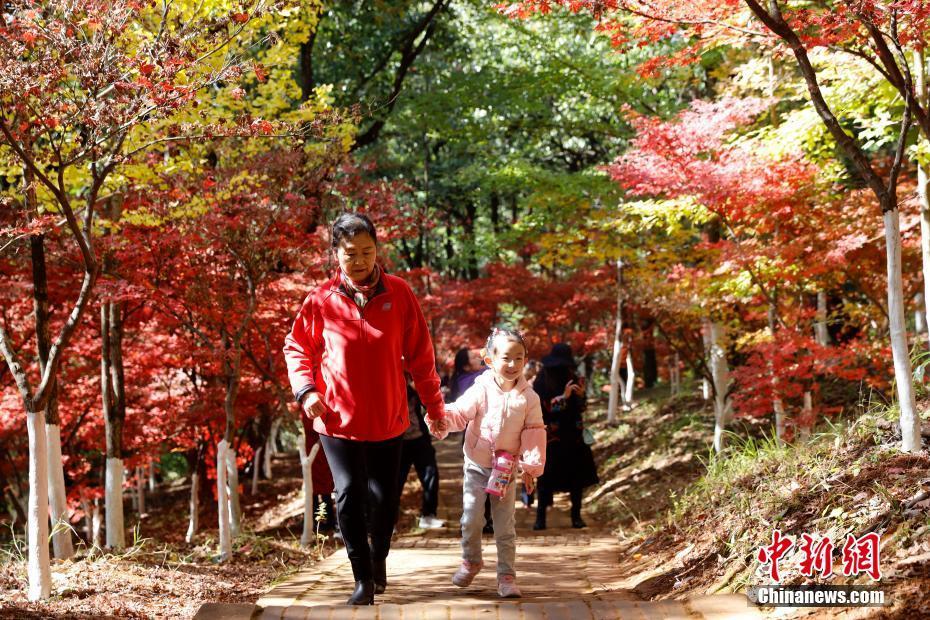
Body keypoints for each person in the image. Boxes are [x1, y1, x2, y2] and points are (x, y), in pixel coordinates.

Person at [284, 213, 447, 606]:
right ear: (335, 254)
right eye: (349, 253)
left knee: (384, 498)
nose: (359, 261)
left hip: (389, 419)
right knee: (349, 494)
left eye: (366, 252)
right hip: (335, 419)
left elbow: (422, 357)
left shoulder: (400, 293)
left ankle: (379, 558)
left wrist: (434, 407)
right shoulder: (320, 300)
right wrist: (307, 392)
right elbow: (297, 348)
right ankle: (361, 579)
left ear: (378, 250)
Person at [431, 327, 546, 599]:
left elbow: (534, 431)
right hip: (476, 463)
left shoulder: (529, 397)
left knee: (504, 524)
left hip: (505, 469)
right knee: (471, 518)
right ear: (490, 359)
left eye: (519, 358)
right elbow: (461, 412)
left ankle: (507, 576)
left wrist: (530, 467)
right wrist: (442, 418)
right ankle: (471, 560)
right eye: (506, 357)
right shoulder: (481, 389)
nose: (512, 364)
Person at [532, 343, 599, 530]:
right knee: (545, 480)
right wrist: (564, 396)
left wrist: (580, 396)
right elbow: (545, 408)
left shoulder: (575, 378)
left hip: (574, 436)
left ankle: (576, 516)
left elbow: (582, 408)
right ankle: (540, 518)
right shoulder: (542, 380)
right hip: (552, 437)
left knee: (576, 479)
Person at [398, 373, 445, 530]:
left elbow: (430, 402)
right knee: (394, 483)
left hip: (419, 439)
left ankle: (429, 515)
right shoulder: (388, 389)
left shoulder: (414, 387)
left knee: (431, 475)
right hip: (397, 443)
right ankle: (388, 522)